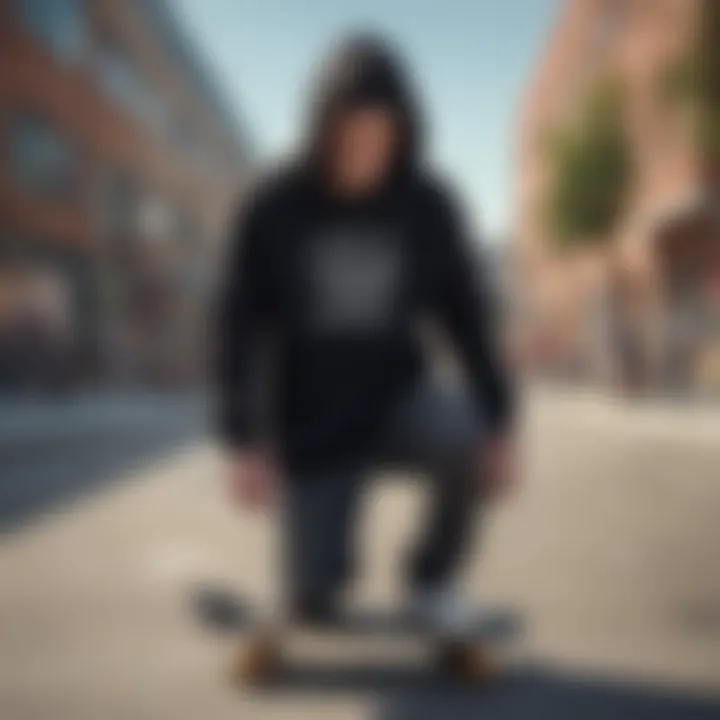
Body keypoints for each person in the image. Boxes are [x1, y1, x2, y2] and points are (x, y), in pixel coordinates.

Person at [215, 34, 516, 636]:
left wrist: (498, 420)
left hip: (396, 403)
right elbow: (237, 325)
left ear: (402, 133)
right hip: (312, 429)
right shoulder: (275, 207)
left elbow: (466, 315)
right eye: (350, 134)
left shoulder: (428, 206)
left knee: (461, 432)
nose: (364, 152)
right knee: (315, 604)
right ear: (322, 128)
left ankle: (431, 581)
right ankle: (314, 579)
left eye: (380, 136)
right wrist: (245, 438)